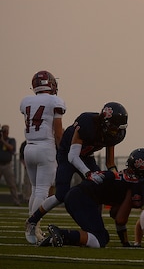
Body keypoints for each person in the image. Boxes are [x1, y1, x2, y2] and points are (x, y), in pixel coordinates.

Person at [24, 102, 128, 244]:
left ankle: (94, 225)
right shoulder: (87, 123)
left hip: (86, 156)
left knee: (97, 190)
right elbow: (72, 156)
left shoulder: (113, 135)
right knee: (61, 195)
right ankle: (32, 221)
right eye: (114, 128)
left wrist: (116, 175)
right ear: (105, 122)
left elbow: (110, 163)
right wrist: (88, 174)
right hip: (68, 153)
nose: (116, 132)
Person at [38, 168, 144, 248]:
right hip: (82, 198)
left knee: (100, 236)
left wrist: (125, 243)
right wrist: (125, 243)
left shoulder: (122, 179)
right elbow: (120, 220)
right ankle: (62, 233)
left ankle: (53, 240)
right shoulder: (133, 186)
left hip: (77, 195)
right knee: (100, 239)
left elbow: (116, 215)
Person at [19, 70, 66, 242]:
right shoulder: (54, 101)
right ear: (50, 84)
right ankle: (32, 224)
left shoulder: (26, 102)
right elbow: (58, 131)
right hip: (45, 147)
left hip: (29, 147)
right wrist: (62, 150)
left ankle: (31, 229)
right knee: (42, 190)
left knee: (35, 189)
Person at [0, 124, 20, 206]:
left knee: (12, 184)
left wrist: (2, 141)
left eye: (7, 131)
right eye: (4, 131)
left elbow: (11, 148)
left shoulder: (11, 140)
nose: (6, 132)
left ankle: (16, 200)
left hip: (7, 165)